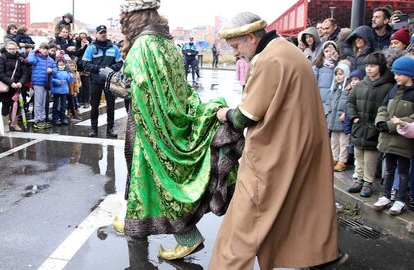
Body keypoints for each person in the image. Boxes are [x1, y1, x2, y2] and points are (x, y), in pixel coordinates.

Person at [211, 12, 341, 269]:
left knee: (246, 218)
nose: (235, 54)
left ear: (251, 37)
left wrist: (223, 113)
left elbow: (245, 116)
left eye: (236, 46)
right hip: (301, 143)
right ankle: (317, 257)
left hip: (276, 150)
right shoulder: (286, 50)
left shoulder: (269, 60)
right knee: (300, 207)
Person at [118, 0, 243, 261]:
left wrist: (115, 83)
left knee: (157, 181)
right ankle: (134, 217)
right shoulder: (167, 43)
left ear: (132, 17)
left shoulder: (142, 46)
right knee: (145, 180)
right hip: (166, 119)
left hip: (151, 126)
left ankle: (188, 238)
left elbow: (139, 89)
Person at [346, 52, 395, 197]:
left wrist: (380, 123)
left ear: (380, 67)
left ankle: (368, 182)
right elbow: (350, 101)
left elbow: (388, 107)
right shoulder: (360, 84)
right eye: (367, 66)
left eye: (372, 66)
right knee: (358, 155)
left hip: (375, 128)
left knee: (371, 158)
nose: (369, 69)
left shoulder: (388, 87)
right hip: (359, 127)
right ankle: (358, 179)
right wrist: (353, 116)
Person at [373, 55, 414, 215]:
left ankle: (400, 199)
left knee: (403, 172)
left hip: (403, 141)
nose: (395, 77)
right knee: (389, 170)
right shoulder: (393, 90)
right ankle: (385, 196)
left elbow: (411, 118)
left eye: (399, 74)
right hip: (388, 140)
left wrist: (390, 125)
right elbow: (382, 108)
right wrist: (380, 121)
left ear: (410, 75)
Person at [81, 25, 123, 138]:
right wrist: (98, 69)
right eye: (100, 32)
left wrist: (111, 69)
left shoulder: (114, 48)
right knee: (94, 106)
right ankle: (93, 129)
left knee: (111, 106)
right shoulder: (91, 48)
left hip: (110, 81)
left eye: (104, 32)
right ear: (96, 34)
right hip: (95, 81)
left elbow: (120, 63)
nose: (102, 34)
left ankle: (110, 129)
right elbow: (84, 63)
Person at [0, 41, 29, 132]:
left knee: (17, 105)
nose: (12, 50)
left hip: (18, 86)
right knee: (5, 106)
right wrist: (11, 83)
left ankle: (14, 123)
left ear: (16, 49)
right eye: (10, 49)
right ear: (6, 49)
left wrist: (20, 83)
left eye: (13, 49)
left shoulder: (21, 59)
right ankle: (6, 124)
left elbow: (25, 73)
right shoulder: (1, 58)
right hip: (6, 86)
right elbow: (0, 73)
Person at [326, 63, 351, 172]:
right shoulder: (334, 89)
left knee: (344, 142)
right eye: (336, 74)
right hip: (333, 120)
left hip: (342, 121)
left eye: (341, 74)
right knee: (334, 141)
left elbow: (350, 103)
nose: (338, 76)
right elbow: (328, 103)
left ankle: (342, 160)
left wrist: (346, 113)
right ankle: (334, 158)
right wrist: (328, 114)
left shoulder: (349, 89)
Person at [27, 42, 55, 129]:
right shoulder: (36, 58)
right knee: (38, 102)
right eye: (43, 48)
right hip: (38, 82)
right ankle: (37, 120)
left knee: (43, 102)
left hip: (46, 83)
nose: (45, 50)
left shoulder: (50, 60)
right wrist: (33, 51)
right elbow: (30, 60)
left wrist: (52, 70)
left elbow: (55, 69)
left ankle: (42, 118)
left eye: (47, 49)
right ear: (40, 49)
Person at [50, 56, 73, 126]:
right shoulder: (54, 70)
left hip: (64, 90)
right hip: (56, 89)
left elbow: (70, 80)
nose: (61, 63)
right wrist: (57, 82)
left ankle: (63, 118)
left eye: (62, 62)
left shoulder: (67, 71)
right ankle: (55, 118)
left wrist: (71, 76)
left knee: (63, 105)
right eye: (59, 62)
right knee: (56, 105)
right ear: (57, 63)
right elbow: (51, 79)